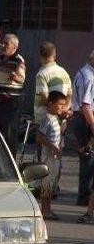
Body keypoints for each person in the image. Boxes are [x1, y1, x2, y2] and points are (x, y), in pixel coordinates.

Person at [0, 34, 26, 156]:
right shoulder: (0, 58)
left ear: (14, 47)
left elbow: (21, 79)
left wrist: (15, 77)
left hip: (10, 102)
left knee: (9, 135)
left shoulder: (18, 60)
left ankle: (11, 162)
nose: (3, 46)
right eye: (3, 43)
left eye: (6, 44)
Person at [37, 91, 68, 221]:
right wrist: (52, 146)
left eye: (63, 104)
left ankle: (47, 209)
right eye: (60, 104)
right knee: (47, 184)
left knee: (51, 184)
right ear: (50, 104)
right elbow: (39, 137)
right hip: (48, 158)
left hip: (54, 158)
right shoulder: (48, 119)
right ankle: (45, 211)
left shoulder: (56, 119)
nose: (62, 107)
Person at [71, 50, 94, 207]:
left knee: (86, 158)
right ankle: (85, 196)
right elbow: (86, 106)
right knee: (88, 158)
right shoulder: (90, 77)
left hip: (79, 118)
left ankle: (83, 195)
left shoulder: (82, 72)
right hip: (85, 118)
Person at [34, 42, 72, 124]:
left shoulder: (41, 74)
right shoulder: (63, 71)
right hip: (61, 119)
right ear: (54, 56)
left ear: (41, 56)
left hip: (44, 120)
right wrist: (63, 111)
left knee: (41, 137)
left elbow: (44, 97)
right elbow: (69, 94)